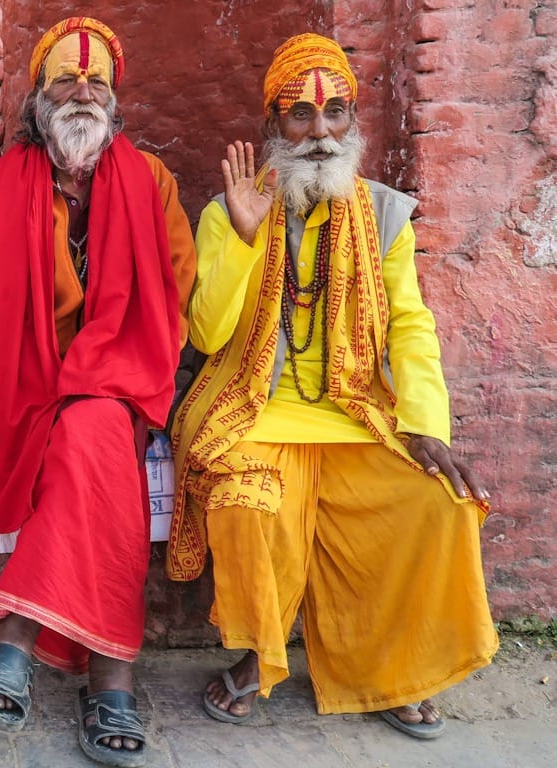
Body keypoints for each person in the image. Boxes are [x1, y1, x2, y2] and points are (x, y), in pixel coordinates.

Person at [168, 33, 497, 740]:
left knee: (438, 503)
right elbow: (206, 335)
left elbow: (410, 326)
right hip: (250, 407)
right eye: (301, 117)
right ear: (272, 128)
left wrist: (425, 422)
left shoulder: (384, 216)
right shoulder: (235, 207)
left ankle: (392, 668)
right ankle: (261, 657)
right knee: (247, 504)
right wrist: (241, 235)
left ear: (355, 124)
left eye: (336, 114)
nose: (320, 133)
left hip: (354, 411)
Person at [0, 17, 195, 767]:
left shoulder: (151, 183)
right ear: (38, 98)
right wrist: (58, 379)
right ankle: (109, 677)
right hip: (29, 385)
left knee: (93, 426)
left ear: (116, 100)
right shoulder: (3, 187)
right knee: (88, 440)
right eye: (66, 80)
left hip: (125, 379)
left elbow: (174, 296)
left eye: (96, 82)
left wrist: (112, 374)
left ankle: (18, 635)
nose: (82, 92)